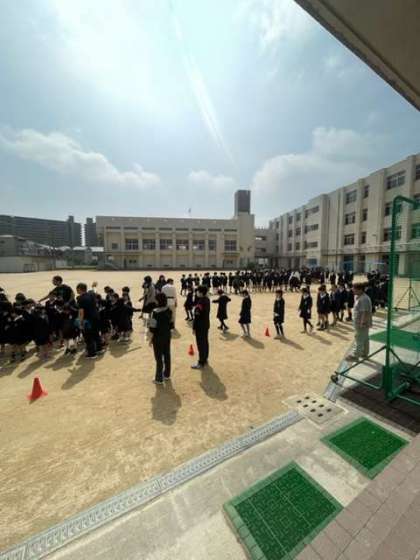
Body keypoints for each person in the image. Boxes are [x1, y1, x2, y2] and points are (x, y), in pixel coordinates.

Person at [148, 293, 174, 384]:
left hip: (158, 337)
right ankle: (167, 374)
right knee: (167, 355)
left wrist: (150, 339)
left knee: (158, 358)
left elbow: (152, 327)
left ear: (158, 301)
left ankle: (159, 378)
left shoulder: (155, 312)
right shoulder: (169, 310)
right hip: (167, 335)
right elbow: (171, 324)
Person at [346, 283, 373, 361]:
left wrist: (362, 323)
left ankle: (355, 355)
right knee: (364, 338)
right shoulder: (358, 297)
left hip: (361, 323)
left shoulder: (364, 299)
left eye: (354, 289)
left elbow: (365, 312)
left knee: (359, 338)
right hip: (359, 321)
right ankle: (364, 353)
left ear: (360, 290)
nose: (352, 290)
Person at [76, 283, 103, 359]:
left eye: (77, 289)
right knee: (96, 334)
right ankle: (99, 349)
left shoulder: (80, 299)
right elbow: (95, 291)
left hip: (87, 320)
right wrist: (94, 286)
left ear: (80, 289)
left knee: (88, 337)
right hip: (96, 317)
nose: (77, 291)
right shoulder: (91, 294)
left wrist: (80, 323)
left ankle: (92, 354)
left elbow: (81, 312)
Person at [191, 285, 210, 370]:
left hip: (200, 326)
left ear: (201, 293)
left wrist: (194, 328)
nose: (196, 293)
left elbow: (197, 317)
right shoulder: (207, 299)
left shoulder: (200, 303)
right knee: (205, 342)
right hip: (206, 324)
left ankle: (201, 362)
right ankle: (205, 358)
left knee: (201, 344)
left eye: (198, 291)